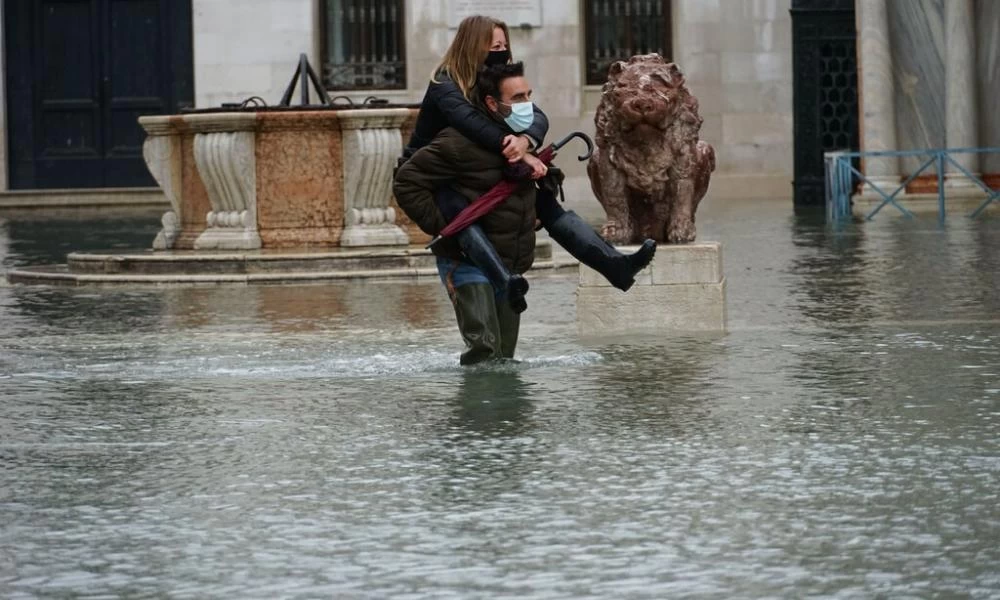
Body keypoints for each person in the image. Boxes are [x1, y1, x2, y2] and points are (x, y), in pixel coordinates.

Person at [398, 15, 657, 313]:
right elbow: (470, 125)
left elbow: (535, 115)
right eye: (494, 45)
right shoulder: (445, 82)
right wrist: (519, 150)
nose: (502, 51)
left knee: (545, 203)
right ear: (473, 45)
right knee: (459, 212)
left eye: (504, 45)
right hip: (435, 174)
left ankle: (616, 266)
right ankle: (503, 281)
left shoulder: (492, 79)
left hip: (478, 163)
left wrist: (527, 142)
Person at [393, 62, 538, 365]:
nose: (528, 106)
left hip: (508, 263)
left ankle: (506, 414)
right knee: (484, 350)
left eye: (529, 96)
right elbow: (406, 183)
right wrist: (448, 229)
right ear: (491, 103)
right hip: (466, 261)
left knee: (505, 356)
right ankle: (476, 411)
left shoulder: (522, 141)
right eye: (519, 98)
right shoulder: (456, 142)